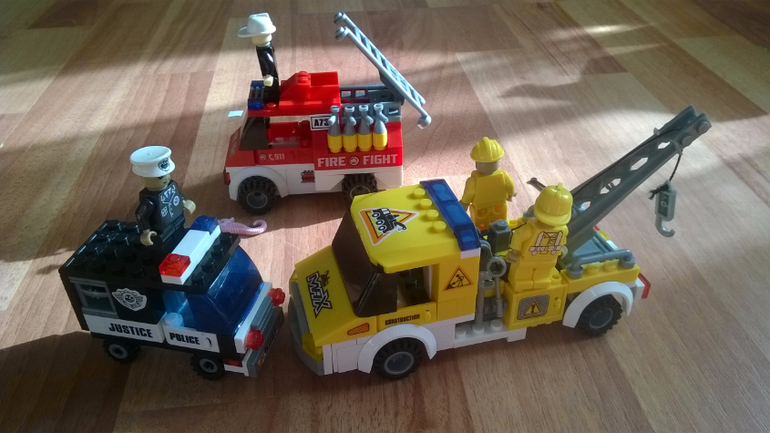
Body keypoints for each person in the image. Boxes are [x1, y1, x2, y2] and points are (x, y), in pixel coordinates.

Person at [507, 184, 572, 291]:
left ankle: (538, 282)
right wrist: (515, 252)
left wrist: (561, 249)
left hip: (545, 259)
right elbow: (518, 236)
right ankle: (521, 283)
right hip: (531, 259)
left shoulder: (562, 230)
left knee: (542, 273)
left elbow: (561, 242)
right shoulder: (531, 228)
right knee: (523, 273)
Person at [130, 146, 195, 252]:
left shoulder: (172, 186)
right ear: (143, 178)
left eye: (166, 174)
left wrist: (184, 202)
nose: (166, 178)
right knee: (167, 250)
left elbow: (176, 195)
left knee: (182, 240)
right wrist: (146, 231)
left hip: (178, 221)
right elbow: (141, 215)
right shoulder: (149, 200)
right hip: (162, 233)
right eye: (159, 177)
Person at [460, 137, 516, 231]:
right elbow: (510, 185)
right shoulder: (503, 175)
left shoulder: (473, 180)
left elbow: (469, 193)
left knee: (481, 225)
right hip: (499, 205)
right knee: (499, 222)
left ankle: (482, 234)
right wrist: (510, 194)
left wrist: (464, 203)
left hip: (481, 209)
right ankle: (500, 231)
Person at [238, 13, 280, 105]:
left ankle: (272, 99)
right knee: (271, 86)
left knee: (272, 89)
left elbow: (269, 61)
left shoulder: (264, 51)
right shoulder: (265, 49)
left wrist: (269, 75)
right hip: (270, 78)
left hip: (271, 79)